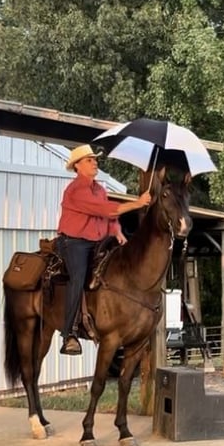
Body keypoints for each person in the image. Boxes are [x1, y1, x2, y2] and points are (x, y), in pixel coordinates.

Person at [56, 144, 151, 355]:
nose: (95, 162)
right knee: (78, 277)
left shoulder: (99, 189)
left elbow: (108, 217)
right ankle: (69, 333)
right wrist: (138, 203)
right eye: (90, 160)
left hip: (98, 241)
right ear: (78, 166)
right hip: (74, 241)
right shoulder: (75, 190)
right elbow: (105, 209)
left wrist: (116, 230)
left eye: (95, 159)